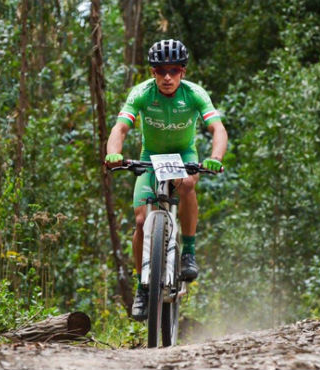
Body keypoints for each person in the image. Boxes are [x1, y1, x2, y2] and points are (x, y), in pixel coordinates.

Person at [105, 39, 228, 321]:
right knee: (139, 221)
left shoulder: (195, 94)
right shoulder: (142, 93)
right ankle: (141, 287)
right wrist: (114, 153)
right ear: (153, 72)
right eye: (161, 71)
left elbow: (217, 128)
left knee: (186, 184)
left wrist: (216, 157)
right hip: (151, 157)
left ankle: (189, 252)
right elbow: (121, 127)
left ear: (183, 72)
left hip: (184, 155)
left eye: (174, 70)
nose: (167, 76)